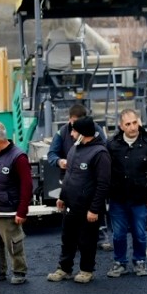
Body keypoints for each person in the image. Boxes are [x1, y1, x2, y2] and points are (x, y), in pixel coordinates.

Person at [47, 116, 110, 284]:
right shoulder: (75, 149)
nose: (72, 134)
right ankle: (64, 269)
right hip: (71, 204)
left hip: (88, 207)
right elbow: (69, 176)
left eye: (74, 131)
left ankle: (86, 270)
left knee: (86, 240)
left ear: (83, 133)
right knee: (67, 238)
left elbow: (103, 185)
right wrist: (62, 197)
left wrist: (94, 209)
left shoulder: (100, 153)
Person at [105, 109, 147, 278]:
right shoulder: (112, 145)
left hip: (140, 198)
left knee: (140, 233)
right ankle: (120, 263)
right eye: (128, 124)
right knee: (119, 233)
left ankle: (139, 261)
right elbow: (105, 170)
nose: (132, 127)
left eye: (134, 122)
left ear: (139, 122)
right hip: (118, 198)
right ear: (121, 126)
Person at [0, 121, 32, 285]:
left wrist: (22, 211)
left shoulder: (19, 157)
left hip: (9, 210)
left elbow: (27, 185)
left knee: (13, 242)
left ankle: (19, 271)